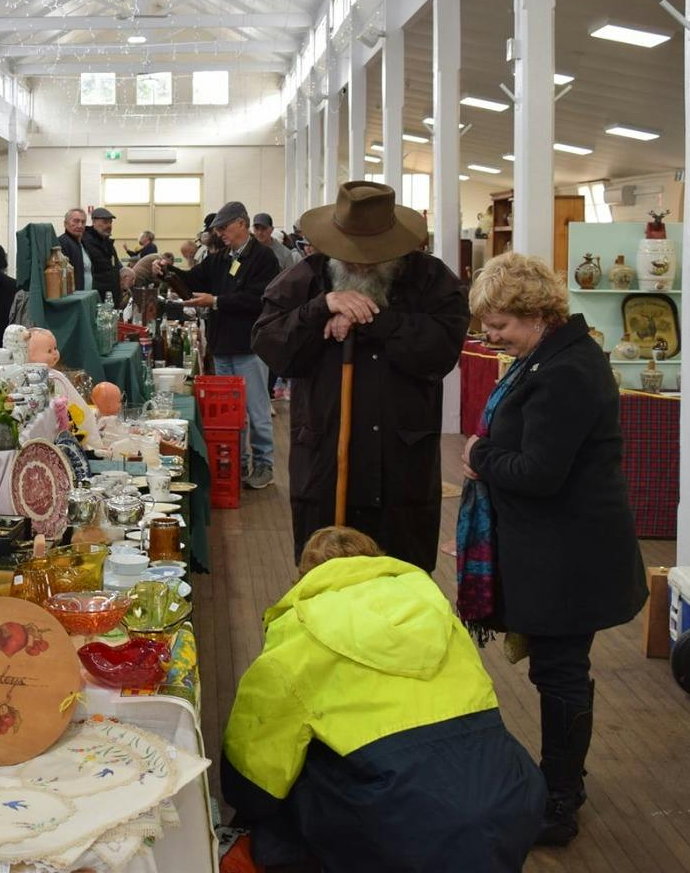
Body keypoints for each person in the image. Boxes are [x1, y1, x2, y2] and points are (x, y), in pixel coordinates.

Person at [220, 527, 544, 873]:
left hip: (399, 826)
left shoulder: (299, 633)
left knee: (284, 779)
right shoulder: (437, 614)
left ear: (306, 577)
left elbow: (251, 785)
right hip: (510, 799)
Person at [464, 252, 647, 846]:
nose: (489, 338)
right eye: (486, 326)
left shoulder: (565, 370)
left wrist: (479, 458)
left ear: (536, 312)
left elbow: (540, 472)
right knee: (558, 670)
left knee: (562, 673)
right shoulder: (553, 356)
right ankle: (564, 780)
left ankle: (560, 800)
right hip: (561, 549)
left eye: (499, 326)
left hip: (572, 556)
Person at [253, 182, 466, 571]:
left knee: (400, 580)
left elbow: (442, 350)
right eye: (350, 254)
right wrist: (321, 308)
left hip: (400, 466)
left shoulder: (432, 281)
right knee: (325, 579)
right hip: (325, 460)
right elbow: (270, 342)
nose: (361, 264)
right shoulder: (308, 279)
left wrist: (374, 321)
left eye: (373, 255)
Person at [164, 201, 280, 490]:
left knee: (257, 410)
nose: (220, 234)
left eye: (224, 228)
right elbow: (193, 278)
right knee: (232, 413)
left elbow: (259, 300)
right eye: (217, 230)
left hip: (249, 346)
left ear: (242, 223)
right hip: (223, 346)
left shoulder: (263, 258)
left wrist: (215, 301)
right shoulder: (222, 258)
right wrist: (166, 270)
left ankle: (264, 464)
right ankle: (237, 462)